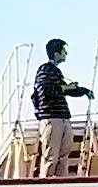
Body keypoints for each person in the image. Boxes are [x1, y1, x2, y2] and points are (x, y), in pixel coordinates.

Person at [32, 38, 92, 177]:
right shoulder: (45, 69)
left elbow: (65, 90)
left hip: (62, 117)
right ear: (56, 52)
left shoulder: (56, 72)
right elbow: (46, 90)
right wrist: (67, 87)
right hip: (52, 118)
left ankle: (60, 186)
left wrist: (83, 91)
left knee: (63, 156)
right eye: (64, 51)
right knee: (51, 156)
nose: (66, 54)